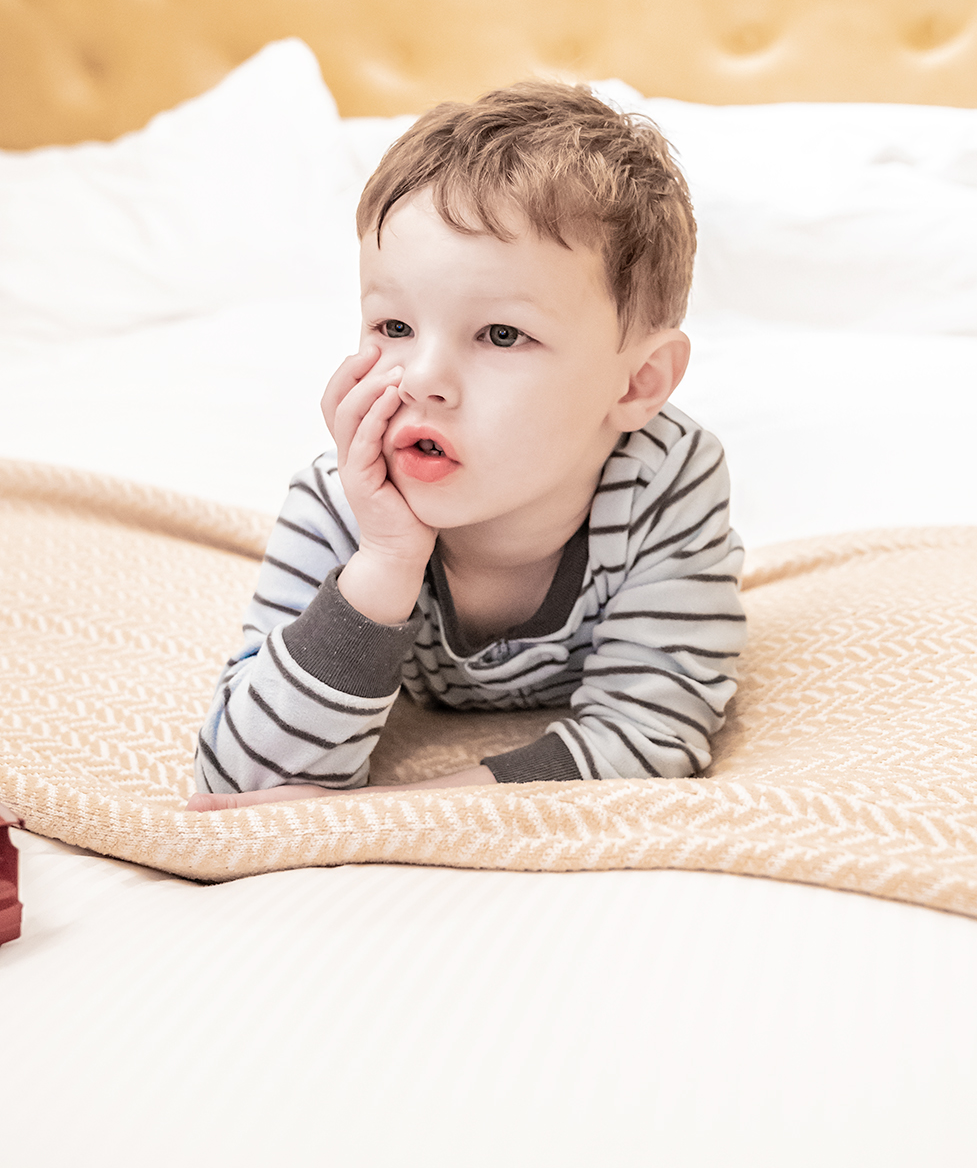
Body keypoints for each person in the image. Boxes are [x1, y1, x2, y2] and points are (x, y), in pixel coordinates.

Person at [187, 81, 745, 811]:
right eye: (393, 328)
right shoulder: (339, 503)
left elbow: (650, 732)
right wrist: (386, 563)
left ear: (637, 383)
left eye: (502, 334)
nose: (423, 380)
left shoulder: (664, 482)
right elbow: (240, 786)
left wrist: (388, 810)